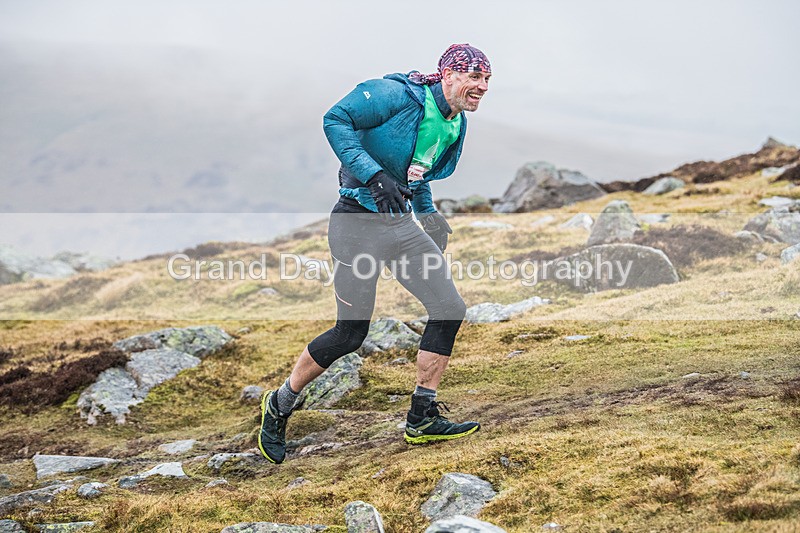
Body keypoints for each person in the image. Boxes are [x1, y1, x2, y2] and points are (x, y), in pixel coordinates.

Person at [258, 43, 492, 464]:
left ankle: (422, 417)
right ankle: (279, 403)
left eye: (487, 80)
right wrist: (374, 175)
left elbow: (416, 170)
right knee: (350, 334)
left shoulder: (453, 122)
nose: (482, 87)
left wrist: (428, 216)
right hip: (355, 224)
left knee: (449, 308)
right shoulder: (394, 95)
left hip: (399, 226)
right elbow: (336, 119)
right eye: (475, 78)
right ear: (448, 76)